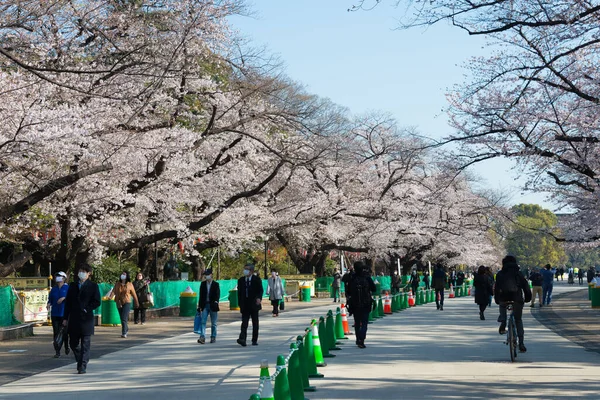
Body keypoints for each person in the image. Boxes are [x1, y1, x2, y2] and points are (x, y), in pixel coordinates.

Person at [63, 263, 101, 374]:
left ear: (89, 274)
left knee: (85, 343)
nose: (82, 273)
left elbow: (97, 301)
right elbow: (68, 303)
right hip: (74, 318)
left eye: (84, 271)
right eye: (80, 271)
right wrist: (65, 318)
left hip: (86, 319)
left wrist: (87, 309)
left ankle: (82, 365)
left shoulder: (93, 286)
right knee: (73, 343)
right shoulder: (73, 285)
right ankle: (81, 359)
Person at [495, 255, 532, 353]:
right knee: (518, 320)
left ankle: (503, 321)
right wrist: (528, 298)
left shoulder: (500, 274)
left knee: (502, 306)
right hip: (517, 298)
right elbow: (526, 287)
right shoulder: (518, 274)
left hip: (504, 298)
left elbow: (496, 288)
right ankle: (521, 343)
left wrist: (497, 299)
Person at [346, 261, 376, 348]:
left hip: (355, 304)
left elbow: (348, 291)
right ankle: (361, 339)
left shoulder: (352, 278)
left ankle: (358, 338)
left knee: (357, 322)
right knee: (364, 322)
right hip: (366, 303)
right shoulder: (367, 278)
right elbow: (374, 288)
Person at [237, 263, 263, 346]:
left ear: (251, 271)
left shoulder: (257, 279)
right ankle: (242, 339)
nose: (245, 271)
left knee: (255, 323)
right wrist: (240, 304)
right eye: (245, 269)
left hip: (254, 304)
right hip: (245, 304)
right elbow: (239, 293)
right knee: (244, 323)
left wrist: (259, 298)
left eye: (247, 269)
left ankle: (254, 340)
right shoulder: (241, 280)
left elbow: (260, 290)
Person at [47, 271, 69, 358]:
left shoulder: (68, 288)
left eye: (60, 276)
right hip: (55, 313)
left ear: (64, 278)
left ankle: (66, 346)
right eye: (57, 276)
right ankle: (57, 351)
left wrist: (64, 298)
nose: (58, 278)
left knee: (64, 332)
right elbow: (50, 299)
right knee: (56, 332)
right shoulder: (54, 289)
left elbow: (72, 299)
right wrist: (49, 303)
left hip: (64, 313)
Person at [113, 271, 139, 338]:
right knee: (122, 318)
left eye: (124, 274)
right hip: (118, 302)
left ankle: (124, 332)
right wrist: (110, 297)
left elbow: (134, 294)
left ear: (127, 276)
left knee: (124, 317)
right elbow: (113, 291)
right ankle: (126, 328)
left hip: (127, 302)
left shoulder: (130, 284)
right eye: (122, 274)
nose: (122, 275)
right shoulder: (117, 284)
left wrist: (136, 302)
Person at [197, 268, 220, 344]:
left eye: (207, 275)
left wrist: (216, 302)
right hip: (205, 305)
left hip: (213, 305)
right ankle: (202, 337)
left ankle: (213, 336)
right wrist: (200, 306)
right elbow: (201, 296)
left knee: (214, 323)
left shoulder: (216, 284)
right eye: (205, 275)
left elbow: (217, 295)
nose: (206, 276)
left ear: (211, 275)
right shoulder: (203, 284)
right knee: (203, 321)